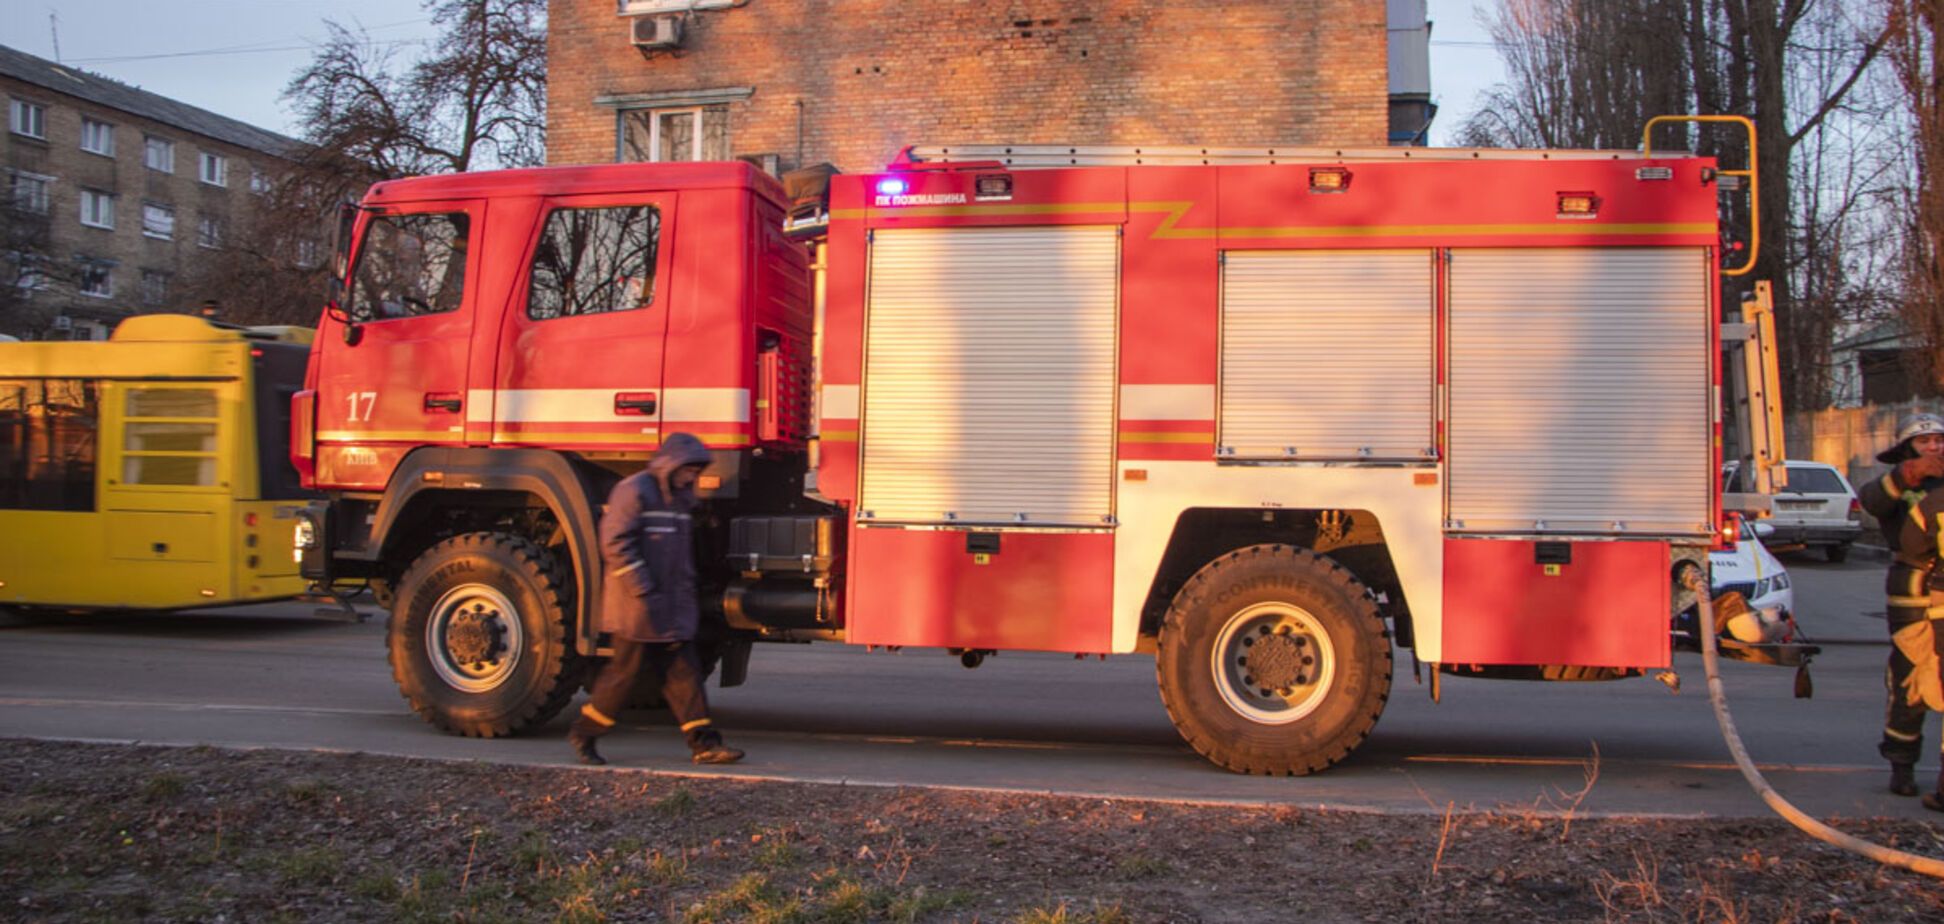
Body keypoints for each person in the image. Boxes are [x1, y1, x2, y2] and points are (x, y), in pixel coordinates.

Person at [568, 432, 744, 766]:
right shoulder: (633, 491)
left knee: (685, 676)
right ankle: (585, 733)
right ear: (671, 463)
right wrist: (642, 589)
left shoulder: (679, 499)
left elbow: (679, 559)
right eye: (689, 469)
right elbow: (615, 543)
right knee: (622, 679)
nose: (693, 476)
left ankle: (705, 745)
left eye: (696, 470)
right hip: (637, 610)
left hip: (669, 610)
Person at [1857, 412, 1944, 807]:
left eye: (1939, 440)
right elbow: (1871, 501)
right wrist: (1910, 474)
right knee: (1909, 680)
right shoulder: (1894, 482)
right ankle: (1902, 765)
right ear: (1908, 448)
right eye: (1925, 441)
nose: (1934, 447)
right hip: (1911, 591)